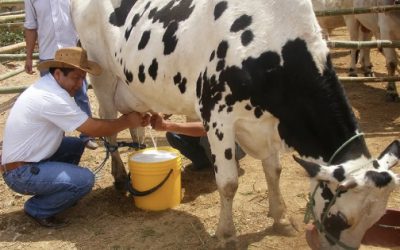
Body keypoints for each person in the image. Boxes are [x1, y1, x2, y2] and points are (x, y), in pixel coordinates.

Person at [1, 47, 150, 229]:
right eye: (75, 78)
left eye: (82, 78)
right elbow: (92, 129)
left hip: (26, 160)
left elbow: (87, 124)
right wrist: (127, 120)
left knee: (75, 145)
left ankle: (61, 191)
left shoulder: (48, 87)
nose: (80, 84)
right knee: (85, 180)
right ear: (58, 74)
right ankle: (38, 208)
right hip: (19, 174)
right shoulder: (51, 97)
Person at [23, 0, 98, 150]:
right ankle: (56, 140)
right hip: (48, 55)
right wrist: (29, 56)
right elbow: (31, 27)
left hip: (72, 54)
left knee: (81, 95)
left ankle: (87, 135)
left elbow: (82, 18)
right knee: (50, 100)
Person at [150, 114, 246, 171]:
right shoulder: (187, 88)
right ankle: (202, 162)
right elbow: (169, 107)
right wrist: (155, 116)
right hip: (200, 134)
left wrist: (167, 125)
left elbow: (208, 128)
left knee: (208, 137)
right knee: (172, 135)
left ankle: (227, 166)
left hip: (231, 142)